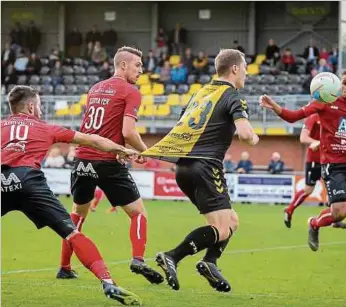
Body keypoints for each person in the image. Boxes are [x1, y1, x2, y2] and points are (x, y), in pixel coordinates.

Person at [1, 85, 141, 305]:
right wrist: (122, 150)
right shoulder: (47, 128)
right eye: (38, 105)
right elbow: (93, 140)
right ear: (30, 106)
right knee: (73, 234)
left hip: (2, 179)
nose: (39, 109)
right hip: (30, 182)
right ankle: (108, 282)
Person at [142, 49, 260, 291]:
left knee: (231, 221)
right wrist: (255, 138)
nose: (247, 72)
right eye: (245, 67)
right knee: (222, 228)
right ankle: (173, 256)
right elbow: (246, 135)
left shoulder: (201, 93)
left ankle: (210, 262)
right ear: (235, 68)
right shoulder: (232, 95)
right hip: (206, 166)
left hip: (184, 167)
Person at [56, 46, 164, 284]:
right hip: (107, 161)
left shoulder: (95, 88)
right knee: (138, 214)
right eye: (138, 65)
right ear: (123, 65)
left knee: (77, 216)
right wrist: (146, 153)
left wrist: (122, 148)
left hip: (82, 160)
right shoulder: (130, 91)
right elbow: (128, 131)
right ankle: (138, 259)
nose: (141, 70)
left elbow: (98, 126)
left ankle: (64, 267)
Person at [259, 69, 346, 263]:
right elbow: (293, 116)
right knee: (339, 214)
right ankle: (314, 224)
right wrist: (275, 106)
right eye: (345, 83)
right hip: (334, 166)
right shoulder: (324, 103)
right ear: (339, 85)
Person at [284, 113, 346, 229]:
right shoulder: (314, 117)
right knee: (308, 189)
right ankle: (290, 209)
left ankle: (336, 219)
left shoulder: (335, 117)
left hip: (330, 161)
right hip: (315, 161)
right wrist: (317, 142)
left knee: (334, 190)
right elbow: (303, 138)